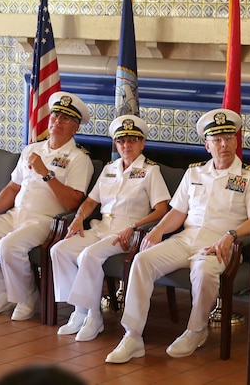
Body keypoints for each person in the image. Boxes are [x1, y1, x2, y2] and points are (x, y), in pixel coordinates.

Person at [105, 108, 250, 364]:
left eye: (229, 138)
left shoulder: (249, 176)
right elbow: (177, 212)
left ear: (236, 140)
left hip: (219, 244)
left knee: (202, 271)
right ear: (207, 145)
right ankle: (132, 336)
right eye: (217, 139)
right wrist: (157, 231)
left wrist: (232, 235)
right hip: (186, 238)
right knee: (142, 261)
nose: (224, 144)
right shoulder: (194, 174)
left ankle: (195, 331)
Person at [0, 91, 94, 321]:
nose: (57, 121)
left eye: (65, 119)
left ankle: (28, 296)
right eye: (55, 116)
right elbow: (12, 188)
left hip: (45, 221)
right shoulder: (32, 149)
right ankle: (2, 292)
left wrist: (46, 174)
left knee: (8, 247)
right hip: (15, 214)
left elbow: (72, 202)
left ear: (75, 128)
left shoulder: (79, 158)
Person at [49, 114, 170, 341]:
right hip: (102, 227)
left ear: (142, 143)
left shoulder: (150, 171)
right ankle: (79, 311)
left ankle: (94, 316)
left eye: (132, 141)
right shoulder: (109, 169)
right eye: (122, 141)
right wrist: (78, 217)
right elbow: (91, 201)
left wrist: (135, 226)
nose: (126, 146)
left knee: (89, 255)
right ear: (116, 144)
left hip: (129, 233)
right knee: (59, 250)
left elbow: (162, 209)